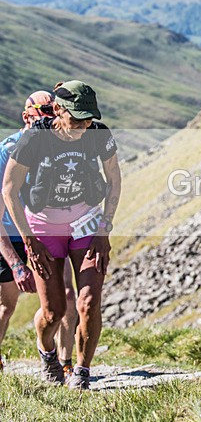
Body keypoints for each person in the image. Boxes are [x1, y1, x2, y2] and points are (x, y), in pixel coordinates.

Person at [2, 81, 121, 390]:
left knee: (88, 301)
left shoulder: (98, 134)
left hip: (87, 223)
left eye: (89, 118)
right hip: (43, 229)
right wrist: (29, 240)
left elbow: (114, 181)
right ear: (58, 110)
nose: (85, 125)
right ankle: (48, 354)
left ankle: (81, 372)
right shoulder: (34, 139)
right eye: (78, 118)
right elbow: (10, 190)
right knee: (54, 311)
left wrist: (104, 229)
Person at [0, 92, 78, 376]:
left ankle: (64, 363)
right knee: (6, 306)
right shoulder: (6, 151)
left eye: (52, 116)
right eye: (41, 117)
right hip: (10, 234)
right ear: (26, 117)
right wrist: (17, 264)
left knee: (67, 297)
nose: (47, 123)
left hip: (45, 231)